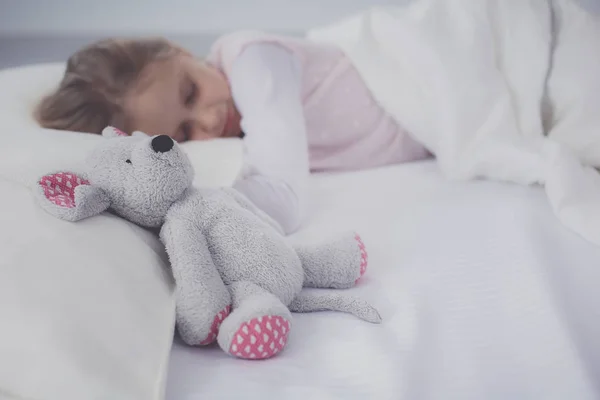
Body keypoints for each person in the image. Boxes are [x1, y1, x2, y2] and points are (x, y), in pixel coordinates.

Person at [35, 31, 431, 234]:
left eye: (191, 91)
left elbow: (285, 201)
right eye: (184, 134)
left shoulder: (252, 59)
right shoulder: (231, 143)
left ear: (179, 50)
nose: (207, 120)